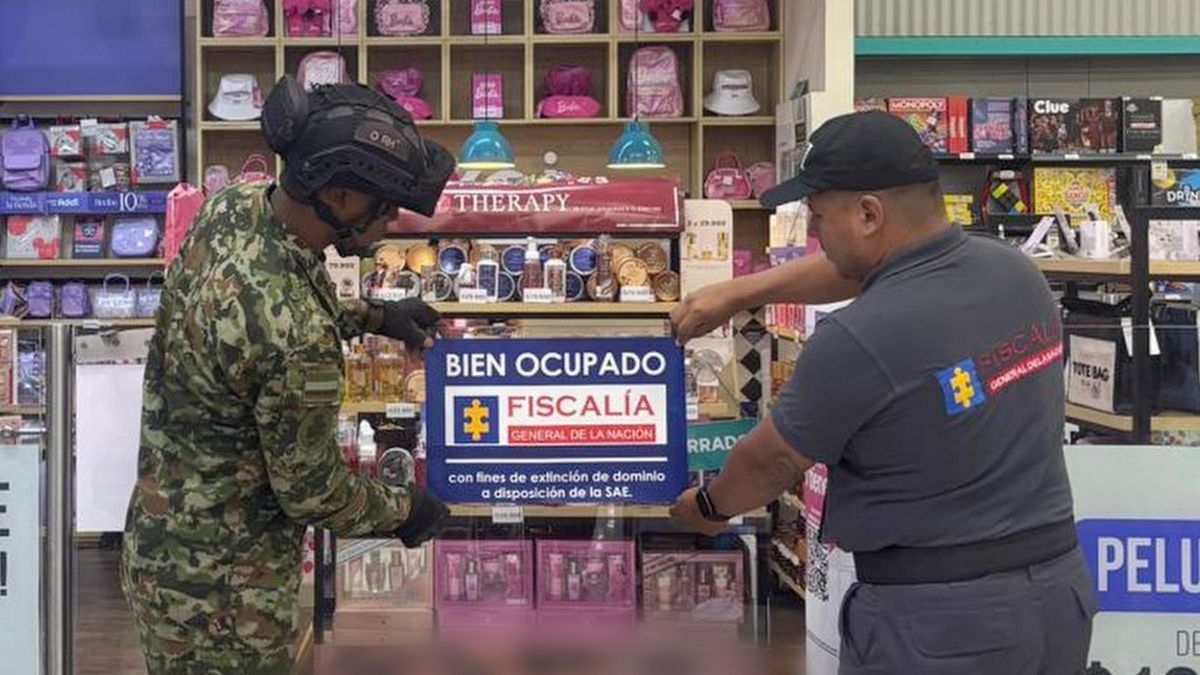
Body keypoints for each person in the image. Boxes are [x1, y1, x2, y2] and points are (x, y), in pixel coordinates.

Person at [669, 111, 1096, 674]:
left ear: (869, 213)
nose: (816, 233)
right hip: (1058, 595)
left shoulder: (859, 338)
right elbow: (861, 270)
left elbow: (770, 462)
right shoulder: (1014, 272)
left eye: (819, 216)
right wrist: (739, 292)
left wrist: (707, 508)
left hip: (941, 626)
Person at [121, 77, 456, 675]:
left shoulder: (235, 208)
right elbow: (314, 493)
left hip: (162, 545)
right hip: (225, 601)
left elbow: (261, 302)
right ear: (341, 196)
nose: (390, 223)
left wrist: (376, 316)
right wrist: (405, 510)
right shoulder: (297, 341)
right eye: (385, 206)